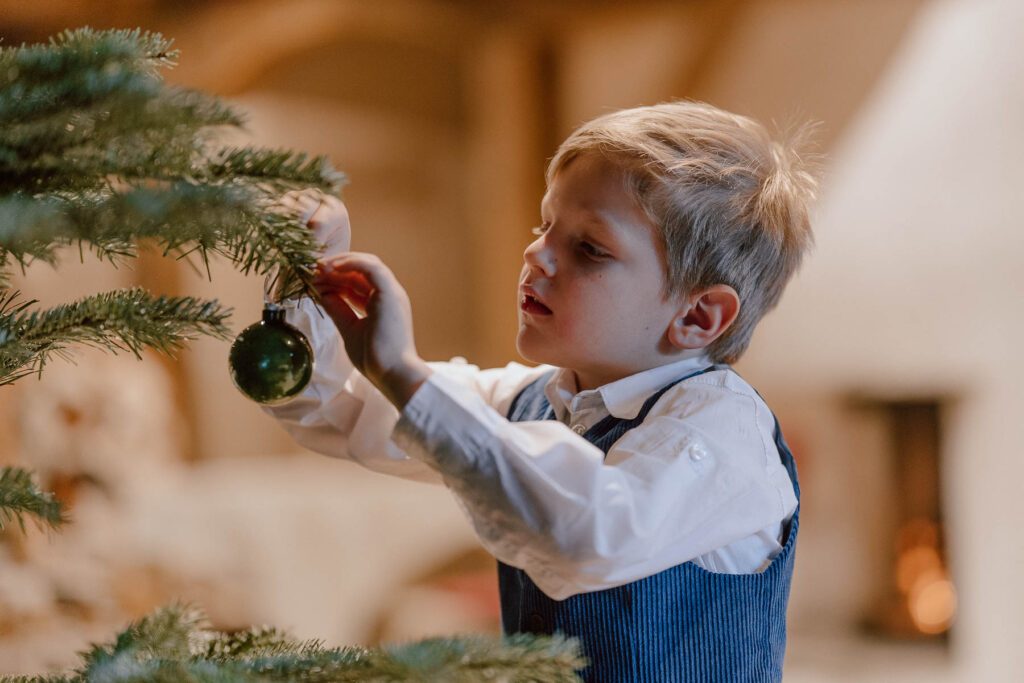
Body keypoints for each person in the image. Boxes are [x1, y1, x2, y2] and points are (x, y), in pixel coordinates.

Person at [266, 101, 818, 682]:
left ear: (700, 316)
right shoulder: (530, 400)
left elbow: (589, 533)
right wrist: (308, 275)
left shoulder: (724, 431)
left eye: (589, 248)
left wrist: (405, 373)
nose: (536, 253)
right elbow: (335, 411)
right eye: (544, 225)